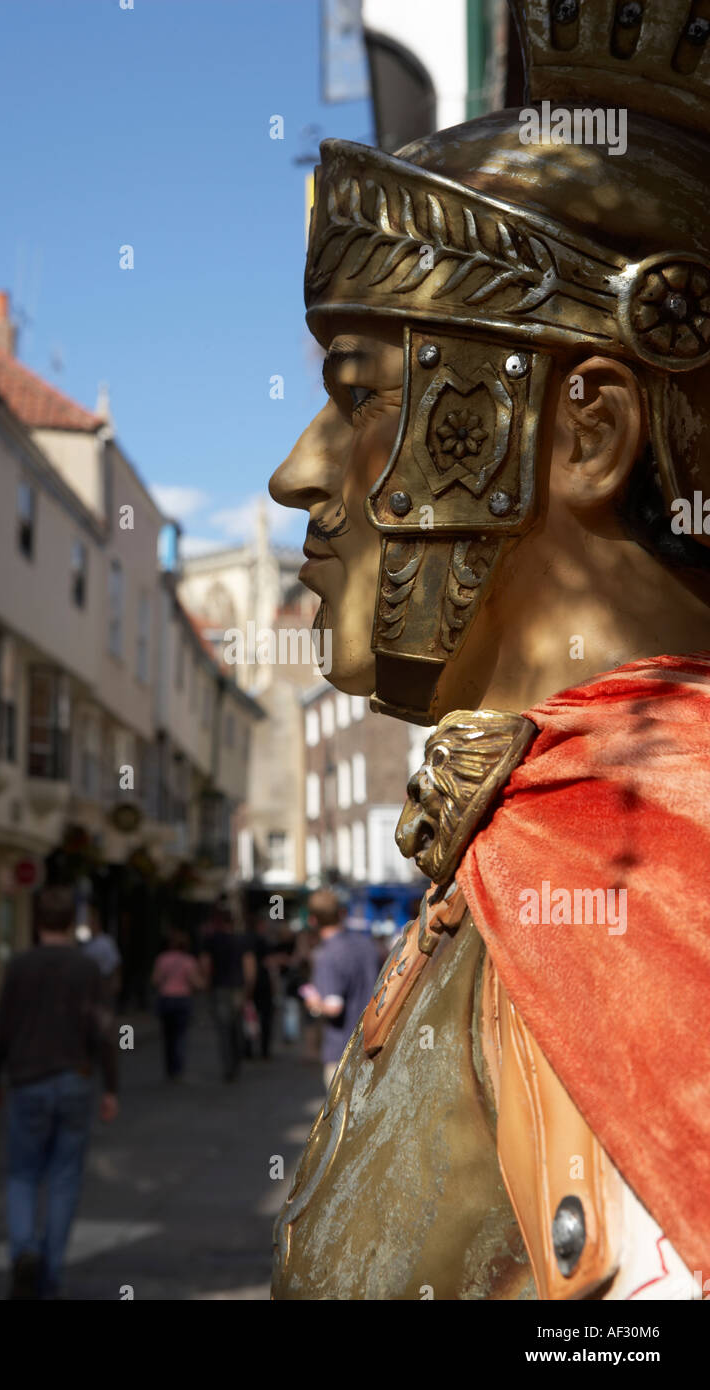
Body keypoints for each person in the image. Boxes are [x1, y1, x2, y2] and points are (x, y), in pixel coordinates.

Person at [268, 0, 710, 1302]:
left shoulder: (673, 869)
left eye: (359, 393)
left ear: (587, 434)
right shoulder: (532, 831)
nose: (301, 470)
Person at [0, 885, 118, 1300]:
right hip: (75, 1079)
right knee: (64, 1179)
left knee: (23, 1174)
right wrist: (111, 1086)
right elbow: (104, 1030)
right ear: (70, 923)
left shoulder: (19, 966)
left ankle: (24, 1249)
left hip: (27, 1079)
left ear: (37, 921)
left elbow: (0, 1025)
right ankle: (50, 1273)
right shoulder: (88, 968)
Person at [299, 891, 380, 1090]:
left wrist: (314, 1003)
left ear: (312, 920)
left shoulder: (326, 955)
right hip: (376, 1042)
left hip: (342, 1051)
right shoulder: (368, 945)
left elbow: (334, 1007)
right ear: (342, 913)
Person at [199, 906, 255, 1082]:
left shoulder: (211, 940)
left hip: (220, 987)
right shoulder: (242, 940)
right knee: (236, 1025)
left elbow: (206, 964)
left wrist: (207, 985)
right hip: (238, 987)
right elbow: (250, 966)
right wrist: (249, 987)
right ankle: (236, 1060)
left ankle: (229, 1065)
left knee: (224, 1028)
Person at [151, 929, 203, 1080]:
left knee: (168, 1036)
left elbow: (155, 980)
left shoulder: (162, 959)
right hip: (182, 999)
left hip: (166, 998)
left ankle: (170, 1068)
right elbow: (196, 982)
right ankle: (178, 1068)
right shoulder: (189, 960)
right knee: (180, 1035)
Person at [81, 913, 122, 1009]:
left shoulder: (106, 941)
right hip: (90, 981)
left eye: (91, 924)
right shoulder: (87, 944)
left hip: (104, 979)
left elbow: (116, 962)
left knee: (105, 1008)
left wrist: (117, 980)